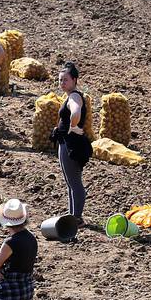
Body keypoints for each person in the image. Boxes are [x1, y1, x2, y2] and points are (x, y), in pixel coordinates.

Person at [52, 61, 90, 224]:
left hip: (72, 145)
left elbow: (75, 112)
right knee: (70, 182)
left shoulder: (74, 96)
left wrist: (73, 126)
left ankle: (77, 218)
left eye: (65, 80)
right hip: (66, 142)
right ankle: (72, 215)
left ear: (74, 80)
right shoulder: (70, 96)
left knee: (74, 182)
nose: (62, 83)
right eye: (60, 80)